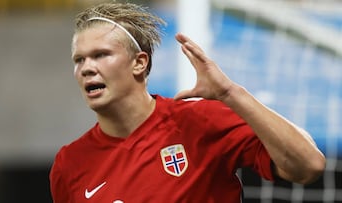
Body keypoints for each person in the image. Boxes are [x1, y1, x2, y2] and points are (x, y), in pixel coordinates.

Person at [49, 2, 326, 203]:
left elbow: (308, 166)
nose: (86, 68)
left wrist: (230, 93)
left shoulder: (200, 121)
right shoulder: (70, 163)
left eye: (100, 55)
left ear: (139, 63)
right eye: (79, 59)